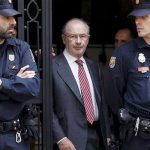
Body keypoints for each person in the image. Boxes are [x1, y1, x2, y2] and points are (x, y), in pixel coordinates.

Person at [52, 18, 110, 150]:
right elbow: (47, 109)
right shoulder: (52, 67)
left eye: (82, 36)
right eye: (73, 36)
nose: (78, 41)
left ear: (88, 39)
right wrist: (60, 138)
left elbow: (102, 105)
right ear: (63, 39)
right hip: (68, 141)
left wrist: (106, 134)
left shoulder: (93, 66)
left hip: (97, 138)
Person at [107, 0, 150, 149]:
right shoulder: (124, 53)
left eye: (143, 17)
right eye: (136, 18)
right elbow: (113, 96)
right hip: (137, 135)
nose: (138, 22)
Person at [0, 0, 40, 150]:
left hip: (14, 137)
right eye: (7, 17)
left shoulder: (20, 48)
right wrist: (15, 84)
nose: (13, 22)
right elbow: (22, 89)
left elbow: (33, 88)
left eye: (14, 17)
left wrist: (2, 84)